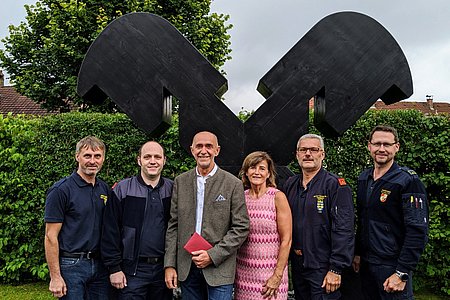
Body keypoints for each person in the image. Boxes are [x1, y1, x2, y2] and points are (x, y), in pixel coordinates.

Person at [164, 131, 250, 300]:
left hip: (219, 269)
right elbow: (173, 225)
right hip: (187, 268)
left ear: (217, 150)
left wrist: (213, 255)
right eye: (199, 146)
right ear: (192, 150)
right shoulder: (180, 182)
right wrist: (169, 264)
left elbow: (241, 227)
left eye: (209, 146)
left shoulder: (232, 184)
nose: (204, 151)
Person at [352, 125, 428, 299]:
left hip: (392, 266)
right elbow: (363, 220)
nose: (381, 149)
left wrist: (402, 272)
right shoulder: (364, 178)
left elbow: (417, 230)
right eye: (377, 143)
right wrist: (357, 252)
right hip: (366, 264)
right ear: (369, 146)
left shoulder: (408, 181)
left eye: (387, 144)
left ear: (397, 147)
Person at [282, 133, 355, 299]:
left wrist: (336, 268)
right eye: (303, 150)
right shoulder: (290, 185)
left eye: (314, 150)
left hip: (323, 266)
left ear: (322, 154)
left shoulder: (335, 185)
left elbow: (344, 229)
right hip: (298, 264)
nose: (308, 154)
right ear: (297, 154)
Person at [101, 141, 173, 299]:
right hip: (132, 271)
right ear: (139, 160)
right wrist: (114, 268)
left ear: (164, 160)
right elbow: (110, 231)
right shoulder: (123, 189)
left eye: (157, 157)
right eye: (147, 157)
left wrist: (173, 265)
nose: (152, 161)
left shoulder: (173, 189)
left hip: (163, 269)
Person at [44, 136, 110, 299]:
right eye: (87, 155)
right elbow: (50, 236)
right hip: (71, 265)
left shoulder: (104, 189)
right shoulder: (61, 190)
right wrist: (55, 277)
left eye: (97, 156)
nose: (92, 161)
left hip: (100, 265)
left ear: (103, 159)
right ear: (77, 157)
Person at [234, 151, 292, 299]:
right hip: (244, 274)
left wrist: (277, 276)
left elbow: (287, 240)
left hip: (271, 274)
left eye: (262, 168)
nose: (257, 172)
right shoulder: (241, 198)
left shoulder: (278, 197)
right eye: (252, 168)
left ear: (268, 173)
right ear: (246, 172)